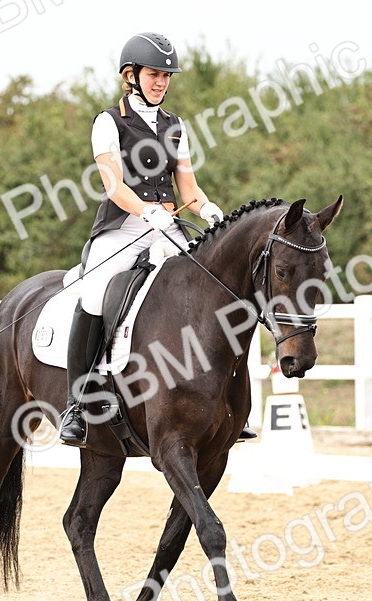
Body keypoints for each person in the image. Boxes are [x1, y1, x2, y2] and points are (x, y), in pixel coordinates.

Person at [59, 32, 255, 446]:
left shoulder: (175, 126)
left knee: (217, 288)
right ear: (130, 75)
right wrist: (144, 210)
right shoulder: (108, 122)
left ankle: (226, 400)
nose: (161, 82)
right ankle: (77, 403)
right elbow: (114, 185)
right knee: (94, 294)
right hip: (122, 229)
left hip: (168, 228)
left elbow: (189, 187)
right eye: (154, 74)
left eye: (166, 76)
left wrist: (209, 210)